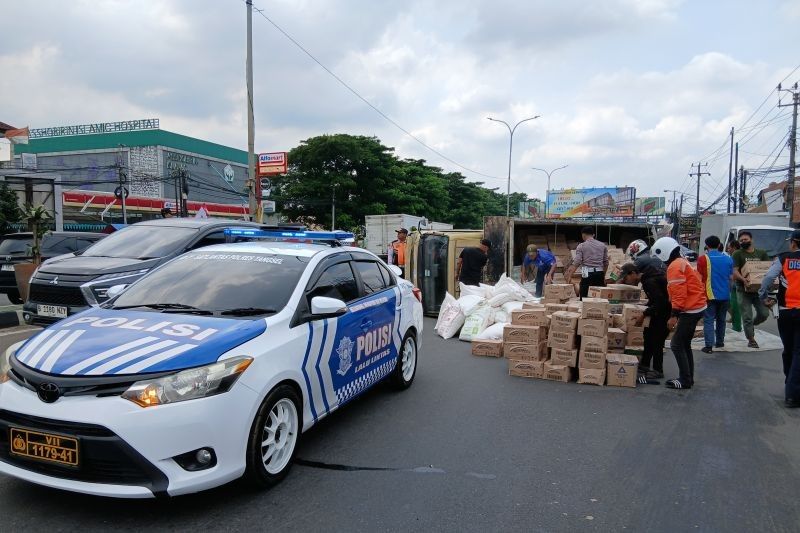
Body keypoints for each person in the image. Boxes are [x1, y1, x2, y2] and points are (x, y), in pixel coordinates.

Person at [652, 236, 707, 390]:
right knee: (685, 344)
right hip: (697, 306)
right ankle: (688, 377)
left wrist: (673, 316)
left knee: (676, 344)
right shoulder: (682, 262)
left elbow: (679, 294)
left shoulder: (675, 266)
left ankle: (685, 380)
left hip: (690, 309)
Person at [759, 229, 800, 408]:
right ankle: (792, 393)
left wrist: (763, 296)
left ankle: (789, 382)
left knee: (789, 350)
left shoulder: (783, 259)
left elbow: (768, 278)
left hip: (785, 312)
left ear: (793, 243)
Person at [618, 261, 670, 383]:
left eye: (626, 277)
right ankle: (645, 364)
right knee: (648, 335)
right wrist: (645, 306)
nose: (626, 281)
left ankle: (658, 370)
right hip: (659, 312)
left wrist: (644, 313)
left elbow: (661, 302)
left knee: (657, 341)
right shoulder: (648, 278)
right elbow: (655, 299)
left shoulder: (649, 282)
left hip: (664, 314)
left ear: (632, 274)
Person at [696, 235, 734, 354]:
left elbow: (699, 278)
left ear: (707, 246)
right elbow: (731, 278)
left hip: (709, 295)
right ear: (719, 245)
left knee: (709, 320)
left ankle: (708, 346)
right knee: (721, 320)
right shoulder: (728, 259)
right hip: (725, 295)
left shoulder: (703, 259)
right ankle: (720, 342)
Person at [732, 231, 770, 348]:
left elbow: (766, 269)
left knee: (764, 314)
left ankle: (750, 325)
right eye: (741, 240)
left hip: (758, 290)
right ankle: (751, 339)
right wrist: (743, 279)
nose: (743, 242)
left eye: (745, 239)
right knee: (747, 315)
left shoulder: (761, 253)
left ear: (751, 239)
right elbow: (734, 271)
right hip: (743, 289)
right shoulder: (738, 254)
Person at [564, 226, 608, 299]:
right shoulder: (602, 245)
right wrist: (603, 275)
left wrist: (569, 275)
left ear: (583, 235)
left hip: (586, 271)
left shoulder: (581, 246)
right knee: (598, 297)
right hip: (599, 271)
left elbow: (577, 262)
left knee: (584, 295)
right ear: (593, 235)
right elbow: (606, 263)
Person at [725, 240, 743, 332]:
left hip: (736, 284)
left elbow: (733, 272)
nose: (728, 249)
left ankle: (737, 327)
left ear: (734, 248)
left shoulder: (736, 256)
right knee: (730, 304)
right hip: (734, 284)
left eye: (729, 248)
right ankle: (734, 319)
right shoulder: (737, 255)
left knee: (734, 305)